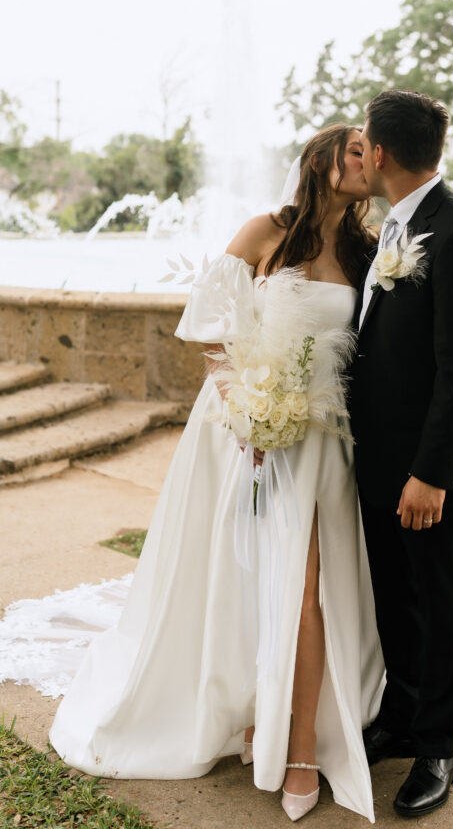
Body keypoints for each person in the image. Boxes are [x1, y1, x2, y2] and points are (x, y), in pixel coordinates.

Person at [49, 124, 387, 822]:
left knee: (308, 585)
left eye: (372, 150)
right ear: (323, 162)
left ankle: (298, 745)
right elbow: (210, 326)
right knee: (244, 575)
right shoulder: (268, 230)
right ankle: (251, 712)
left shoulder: (366, 249)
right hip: (245, 432)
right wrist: (247, 409)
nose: (368, 159)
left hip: (326, 438)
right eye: (356, 149)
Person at [349, 90, 453, 819]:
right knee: (394, 595)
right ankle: (403, 717)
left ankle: (440, 744)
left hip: (432, 470)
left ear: (379, 154)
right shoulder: (394, 229)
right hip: (380, 458)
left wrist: (429, 475)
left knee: (442, 601)